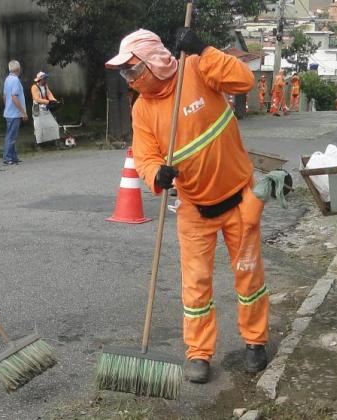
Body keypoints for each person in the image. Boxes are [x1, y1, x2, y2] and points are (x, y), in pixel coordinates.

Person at [106, 28, 269, 384]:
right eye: (125, 73)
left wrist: (206, 50)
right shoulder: (142, 110)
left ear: (153, 61)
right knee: (195, 285)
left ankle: (255, 341)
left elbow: (243, 80)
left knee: (248, 276)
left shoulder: (196, 68)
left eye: (133, 69)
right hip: (195, 208)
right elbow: (146, 155)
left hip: (240, 198)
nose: (129, 78)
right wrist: (155, 175)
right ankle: (198, 353)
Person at [2, 60, 28, 164]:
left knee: (11, 135)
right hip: (14, 113)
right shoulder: (15, 80)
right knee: (11, 136)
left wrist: (6, 106)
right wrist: (23, 112)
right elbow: (14, 97)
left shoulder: (7, 79)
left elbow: (4, 96)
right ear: (18, 69)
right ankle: (8, 157)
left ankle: (13, 157)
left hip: (8, 112)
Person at [30, 71, 61, 145]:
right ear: (40, 80)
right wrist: (48, 102)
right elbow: (37, 99)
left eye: (46, 79)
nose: (46, 80)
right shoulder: (34, 87)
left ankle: (55, 141)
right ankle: (38, 143)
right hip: (37, 108)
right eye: (44, 79)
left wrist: (54, 101)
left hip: (45, 108)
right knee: (39, 127)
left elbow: (49, 94)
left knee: (53, 125)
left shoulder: (45, 86)